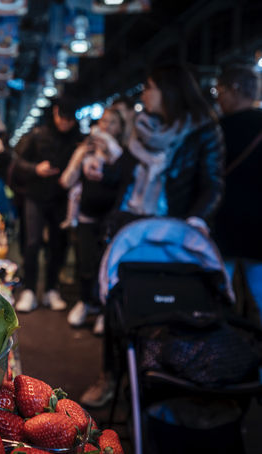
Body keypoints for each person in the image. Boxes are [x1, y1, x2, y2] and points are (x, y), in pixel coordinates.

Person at [80, 64, 226, 408]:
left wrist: (196, 223)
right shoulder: (139, 131)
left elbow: (213, 185)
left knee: (170, 314)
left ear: (170, 90)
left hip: (174, 237)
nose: (143, 95)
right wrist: (100, 169)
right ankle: (111, 376)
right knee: (120, 306)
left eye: (149, 87)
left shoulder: (203, 132)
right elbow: (120, 178)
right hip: (129, 233)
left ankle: (167, 380)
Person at [11, 98, 84, 312]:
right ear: (55, 112)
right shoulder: (37, 134)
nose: (65, 123)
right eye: (62, 117)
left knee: (58, 246)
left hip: (62, 199)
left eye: (70, 119)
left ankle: (52, 289)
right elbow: (18, 163)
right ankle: (30, 290)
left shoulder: (78, 140)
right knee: (31, 244)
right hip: (35, 196)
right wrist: (36, 169)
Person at [59, 108, 128, 333]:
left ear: (120, 128)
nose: (107, 126)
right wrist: (79, 156)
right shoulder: (86, 150)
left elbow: (124, 181)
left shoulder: (123, 154)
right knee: (85, 263)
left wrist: (112, 150)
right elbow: (66, 181)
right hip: (86, 216)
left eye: (113, 122)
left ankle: (103, 309)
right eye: (104, 121)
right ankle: (85, 301)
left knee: (107, 265)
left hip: (111, 218)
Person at [212, 64, 262, 322]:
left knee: (220, 297)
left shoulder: (217, 131)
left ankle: (224, 356)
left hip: (224, 225)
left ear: (234, 90)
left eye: (220, 90)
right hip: (259, 228)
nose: (218, 97)